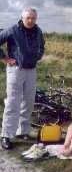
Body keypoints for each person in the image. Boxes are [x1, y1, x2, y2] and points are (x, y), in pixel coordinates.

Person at [0, 8, 45, 150]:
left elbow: (42, 46)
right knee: (13, 102)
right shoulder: (13, 30)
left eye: (33, 18)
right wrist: (4, 58)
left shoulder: (38, 31)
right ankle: (6, 135)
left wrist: (38, 56)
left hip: (31, 70)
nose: (31, 21)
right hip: (16, 70)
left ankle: (23, 131)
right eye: (28, 18)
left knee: (29, 101)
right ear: (22, 18)